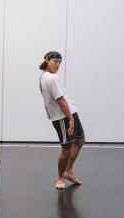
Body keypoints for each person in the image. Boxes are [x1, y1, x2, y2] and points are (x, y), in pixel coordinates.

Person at [38, 51, 85, 189]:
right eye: (55, 61)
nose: (57, 64)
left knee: (80, 141)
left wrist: (72, 115)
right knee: (67, 148)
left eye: (60, 62)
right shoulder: (49, 78)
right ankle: (60, 178)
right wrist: (70, 118)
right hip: (63, 117)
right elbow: (61, 100)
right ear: (46, 60)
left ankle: (68, 171)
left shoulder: (49, 77)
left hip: (70, 112)